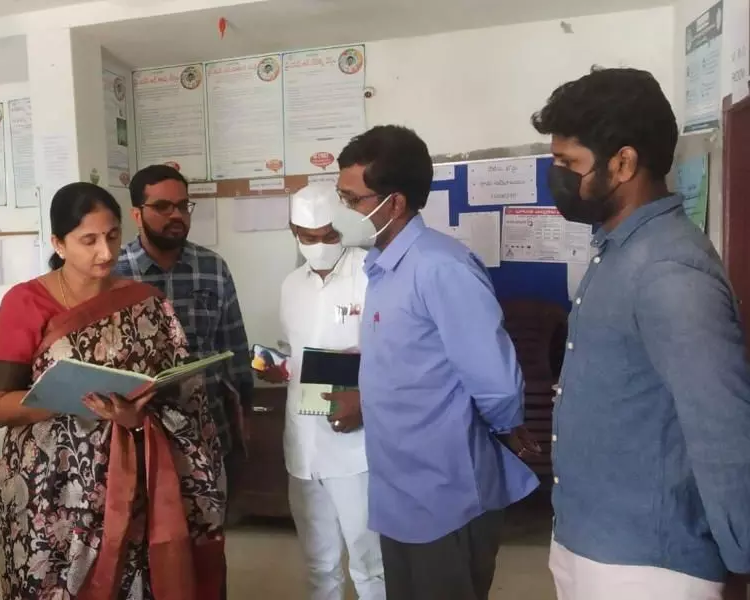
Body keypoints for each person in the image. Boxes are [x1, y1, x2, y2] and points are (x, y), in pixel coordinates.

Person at [532, 67, 750, 600]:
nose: (557, 176)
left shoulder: (668, 273)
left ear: (624, 163)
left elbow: (724, 435)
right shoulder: (618, 247)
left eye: (569, 163)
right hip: (591, 543)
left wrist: (743, 561)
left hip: (648, 567)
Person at [0, 182, 226, 600]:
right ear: (59, 243)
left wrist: (138, 417)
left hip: (137, 481)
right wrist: (68, 400)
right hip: (52, 491)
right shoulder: (26, 303)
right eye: (89, 240)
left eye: (113, 236)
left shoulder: (145, 302)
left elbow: (184, 398)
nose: (106, 252)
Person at [333, 124, 540, 600]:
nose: (342, 213)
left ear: (395, 203)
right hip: (399, 487)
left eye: (352, 200)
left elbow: (495, 377)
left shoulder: (439, 266)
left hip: (445, 494)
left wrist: (507, 428)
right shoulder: (383, 266)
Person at [259, 183, 385, 600]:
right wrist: (278, 367)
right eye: (307, 238)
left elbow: (395, 356)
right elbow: (292, 351)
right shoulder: (291, 286)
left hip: (356, 445)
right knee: (319, 565)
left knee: (370, 564)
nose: (318, 245)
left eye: (327, 235)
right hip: (303, 443)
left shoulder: (372, 274)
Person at [116, 164, 254, 490]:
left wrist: (244, 416)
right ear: (137, 214)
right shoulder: (115, 273)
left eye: (182, 205)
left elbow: (233, 347)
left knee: (207, 532)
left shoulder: (212, 268)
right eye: (162, 206)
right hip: (139, 430)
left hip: (207, 427)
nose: (176, 215)